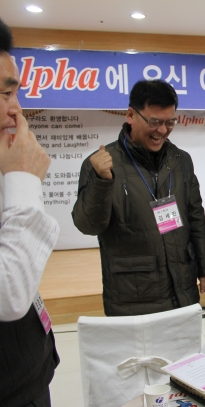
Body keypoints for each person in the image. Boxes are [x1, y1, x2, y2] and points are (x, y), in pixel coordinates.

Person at [72, 79, 205, 316]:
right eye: (154, 122)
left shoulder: (180, 160)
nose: (162, 130)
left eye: (170, 122)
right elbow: (88, 225)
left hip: (183, 288)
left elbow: (195, 217)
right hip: (133, 294)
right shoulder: (101, 164)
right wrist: (101, 181)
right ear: (131, 115)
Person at [0, 18, 60, 406]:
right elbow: (8, 293)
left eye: (15, 93)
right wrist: (23, 179)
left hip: (29, 372)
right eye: (5, 94)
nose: (16, 109)